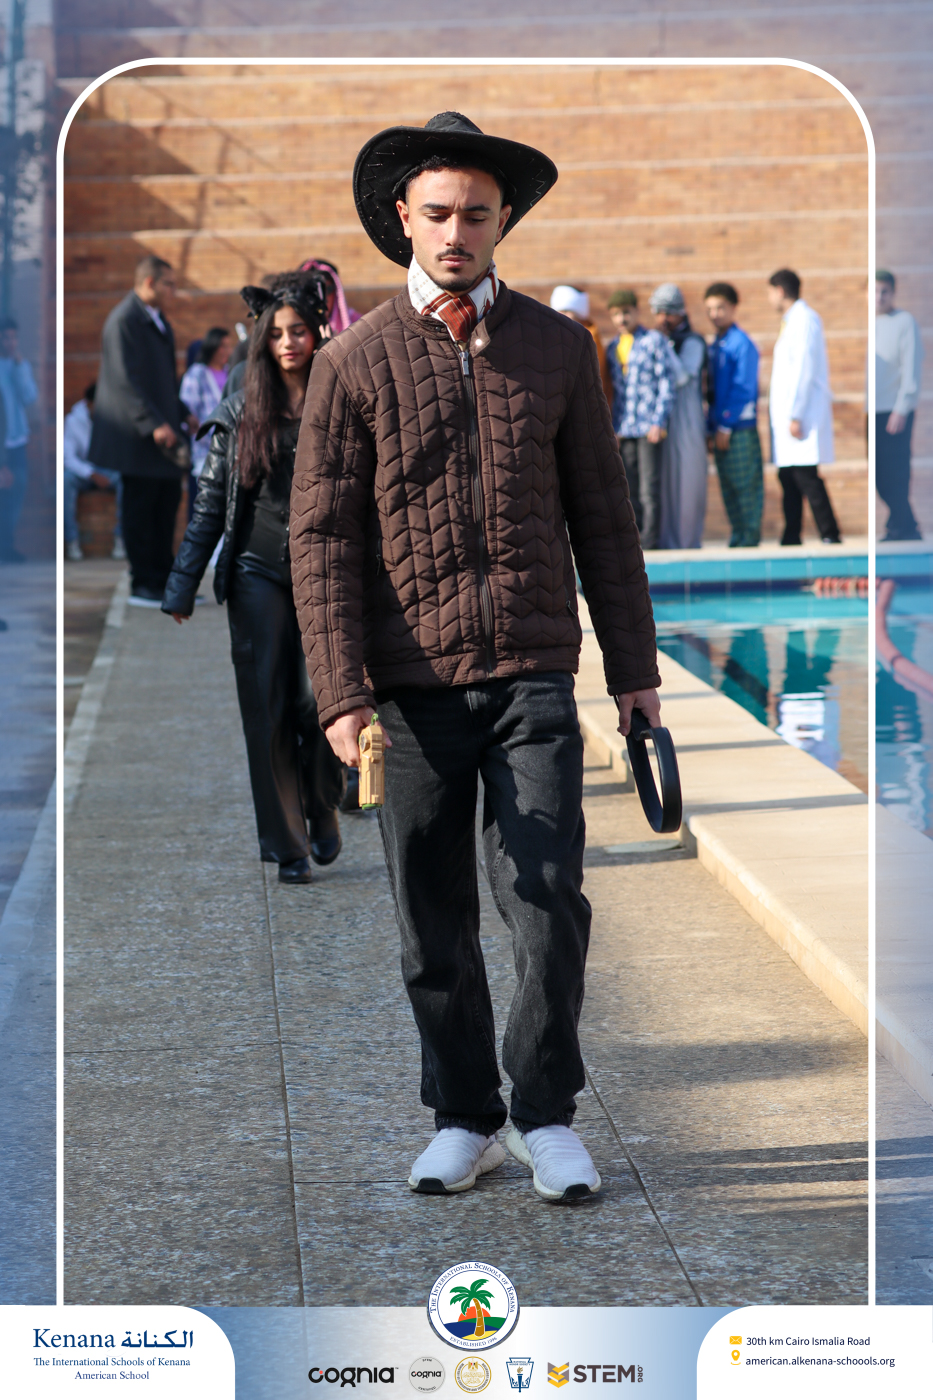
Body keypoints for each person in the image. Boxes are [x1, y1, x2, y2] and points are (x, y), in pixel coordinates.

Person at [291, 110, 660, 1202]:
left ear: (503, 223)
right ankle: (465, 1117)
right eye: (439, 213)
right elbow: (321, 538)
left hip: (532, 673)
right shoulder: (351, 362)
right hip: (409, 691)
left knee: (547, 897)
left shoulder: (557, 347)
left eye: (478, 215)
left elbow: (605, 519)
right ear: (402, 218)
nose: (457, 232)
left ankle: (544, 1113)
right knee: (431, 918)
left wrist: (635, 673)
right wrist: (340, 690)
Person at [162, 273, 346, 884]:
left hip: (324, 571)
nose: (289, 342)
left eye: (299, 331)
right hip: (256, 571)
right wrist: (182, 583)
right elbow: (209, 502)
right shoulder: (242, 408)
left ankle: (322, 806)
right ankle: (288, 844)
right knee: (267, 707)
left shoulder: (341, 396)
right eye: (277, 334)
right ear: (263, 341)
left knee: (320, 700)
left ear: (316, 333)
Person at [89, 255, 197, 604]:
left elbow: (164, 381)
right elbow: (124, 381)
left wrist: (183, 413)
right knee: (141, 511)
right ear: (150, 282)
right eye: (169, 284)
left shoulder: (158, 320)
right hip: (138, 437)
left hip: (164, 434)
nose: (173, 291)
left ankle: (165, 581)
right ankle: (143, 583)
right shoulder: (124, 320)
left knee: (165, 507)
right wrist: (153, 424)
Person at [767, 268, 841, 546]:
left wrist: (796, 414)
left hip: (800, 415)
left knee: (806, 476)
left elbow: (804, 369)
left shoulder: (805, 320)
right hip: (790, 416)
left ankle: (830, 533)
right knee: (788, 476)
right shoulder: (792, 321)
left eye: (770, 293)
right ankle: (791, 535)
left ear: (780, 291)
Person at [704, 282, 763, 548]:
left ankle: (749, 539)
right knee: (728, 486)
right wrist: (711, 427)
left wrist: (725, 425)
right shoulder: (717, 344)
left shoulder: (742, 344)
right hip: (720, 428)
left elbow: (743, 388)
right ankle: (738, 536)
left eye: (720, 308)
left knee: (745, 486)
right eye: (710, 309)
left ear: (733, 308)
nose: (715, 314)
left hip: (739, 429)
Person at [617, 296, 677, 549]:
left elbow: (666, 382)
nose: (622, 319)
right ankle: (635, 542)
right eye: (616, 314)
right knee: (628, 488)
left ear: (636, 311)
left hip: (648, 428)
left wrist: (659, 421)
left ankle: (651, 542)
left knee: (649, 489)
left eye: (626, 312)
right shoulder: (614, 346)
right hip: (625, 429)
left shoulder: (653, 340)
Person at [652, 284, 708, 550]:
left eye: (669, 312)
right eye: (659, 312)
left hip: (687, 420)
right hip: (663, 419)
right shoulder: (658, 339)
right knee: (664, 483)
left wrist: (663, 345)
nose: (664, 318)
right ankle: (666, 541)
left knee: (686, 481)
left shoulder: (693, 342)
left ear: (680, 313)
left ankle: (686, 543)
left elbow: (682, 376)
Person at [875, 269, 923, 541]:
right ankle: (903, 523)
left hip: (894, 411)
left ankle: (904, 527)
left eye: (884, 291)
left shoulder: (904, 322)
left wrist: (902, 407)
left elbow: (911, 366)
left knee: (895, 472)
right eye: (874, 291)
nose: (879, 297)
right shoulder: (873, 324)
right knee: (879, 474)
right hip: (874, 410)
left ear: (893, 293)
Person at [63, 383, 125, 561]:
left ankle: (120, 539)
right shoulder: (73, 421)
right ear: (88, 403)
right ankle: (72, 541)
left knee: (126, 480)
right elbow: (68, 458)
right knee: (64, 481)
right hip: (83, 470)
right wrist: (90, 474)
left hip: (107, 469)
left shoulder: (112, 418)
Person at [179, 326, 233, 516]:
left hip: (230, 454)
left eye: (229, 346)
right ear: (212, 347)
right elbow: (187, 414)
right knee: (204, 510)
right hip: (204, 454)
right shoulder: (197, 374)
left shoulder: (230, 373)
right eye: (223, 346)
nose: (227, 351)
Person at [0, 317, 38, 563]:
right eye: (6, 338)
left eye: (14, 337)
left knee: (18, 488)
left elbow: (29, 397)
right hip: (2, 444)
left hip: (18, 441)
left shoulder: (20, 365)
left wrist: (20, 369)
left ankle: (7, 545)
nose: (10, 342)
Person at [549, 285, 614, 402]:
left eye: (567, 311)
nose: (562, 315)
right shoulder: (555, 336)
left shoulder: (590, 338)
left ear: (579, 313)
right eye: (559, 311)